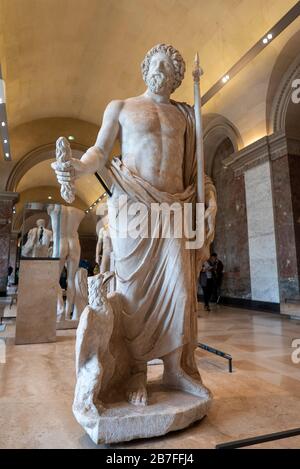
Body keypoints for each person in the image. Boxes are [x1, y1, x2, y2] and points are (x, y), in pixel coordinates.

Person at [52, 44, 217, 406]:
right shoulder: (122, 107)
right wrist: (79, 167)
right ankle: (137, 371)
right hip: (133, 204)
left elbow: (194, 166)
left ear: (176, 79)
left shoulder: (184, 116)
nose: (162, 70)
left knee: (181, 290)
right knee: (134, 292)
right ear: (145, 68)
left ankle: (176, 370)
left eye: (170, 68)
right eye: (156, 63)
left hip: (173, 206)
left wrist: (207, 196)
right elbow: (99, 150)